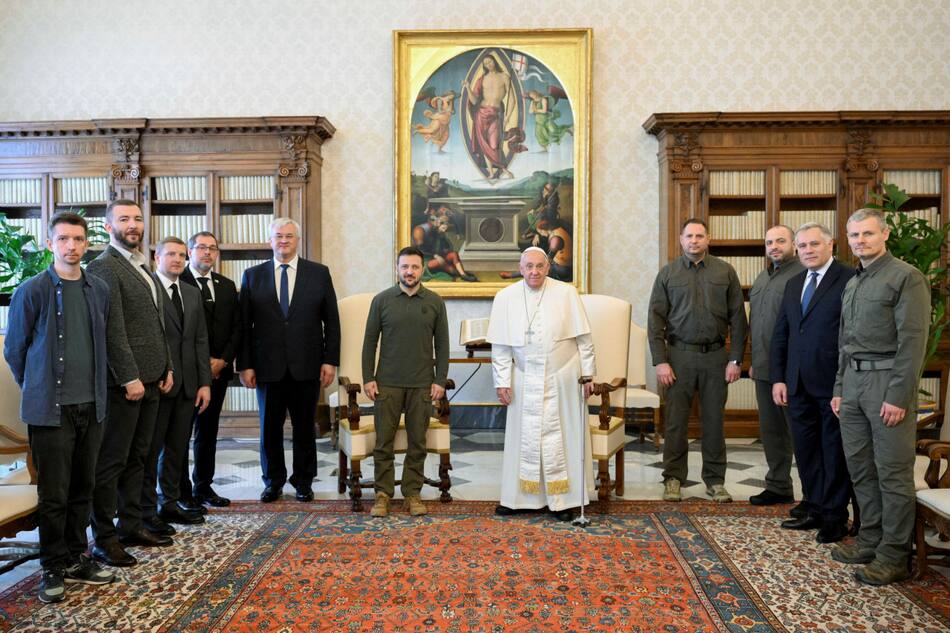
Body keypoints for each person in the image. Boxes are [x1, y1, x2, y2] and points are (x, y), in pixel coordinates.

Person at [3, 212, 116, 602]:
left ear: (87, 245)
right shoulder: (31, 291)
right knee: (55, 493)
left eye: (79, 239)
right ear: (51, 244)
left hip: (92, 405)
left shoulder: (98, 289)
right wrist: (35, 386)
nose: (72, 246)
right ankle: (52, 565)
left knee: (83, 488)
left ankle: (75, 557)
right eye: (64, 239)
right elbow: (14, 350)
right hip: (51, 410)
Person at [830, 208, 929, 585]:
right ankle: (870, 539)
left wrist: (899, 396)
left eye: (868, 234)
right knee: (861, 468)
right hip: (853, 386)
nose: (860, 241)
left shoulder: (906, 277)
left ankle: (894, 555)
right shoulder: (854, 282)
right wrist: (839, 388)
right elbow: (844, 342)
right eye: (854, 236)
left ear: (885, 234)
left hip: (887, 384)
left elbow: (913, 342)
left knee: (892, 472)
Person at [87, 199, 175, 567]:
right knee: (112, 463)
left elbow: (155, 324)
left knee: (141, 457)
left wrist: (167, 367)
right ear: (109, 226)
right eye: (124, 219)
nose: (133, 224)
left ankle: (132, 524)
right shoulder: (104, 267)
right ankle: (104, 539)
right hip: (126, 385)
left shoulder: (142, 265)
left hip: (154, 381)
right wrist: (129, 377)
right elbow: (112, 329)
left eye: (137, 218)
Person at [487, 247, 595, 522]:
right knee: (523, 439)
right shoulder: (505, 297)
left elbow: (583, 340)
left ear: (548, 268)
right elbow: (500, 347)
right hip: (523, 378)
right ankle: (520, 499)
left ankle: (565, 500)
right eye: (529, 267)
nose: (534, 272)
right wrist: (502, 381)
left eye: (539, 266)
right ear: (521, 268)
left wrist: (588, 375)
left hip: (563, 377)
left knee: (564, 437)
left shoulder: (567, 293)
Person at [238, 217, 341, 503]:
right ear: (270, 240)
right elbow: (244, 326)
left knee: (305, 427)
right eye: (278, 236)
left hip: (307, 365)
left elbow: (331, 321)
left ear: (298, 240)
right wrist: (245, 364)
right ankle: (273, 481)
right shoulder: (252, 276)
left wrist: (329, 360)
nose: (283, 241)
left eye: (289, 236)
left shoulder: (318, 274)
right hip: (266, 366)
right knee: (269, 429)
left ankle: (303, 481)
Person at [648, 218, 747, 503]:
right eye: (689, 235)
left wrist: (736, 359)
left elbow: (739, 320)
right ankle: (673, 479)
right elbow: (655, 321)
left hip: (717, 357)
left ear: (708, 239)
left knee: (714, 421)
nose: (694, 240)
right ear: (681, 239)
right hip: (678, 357)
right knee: (676, 422)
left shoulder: (725, 272)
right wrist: (660, 361)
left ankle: (715, 481)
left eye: (699, 236)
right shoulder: (667, 274)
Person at [770, 223, 854, 544]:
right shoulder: (794, 284)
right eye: (802, 245)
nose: (807, 250)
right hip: (797, 383)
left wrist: (843, 386)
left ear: (830, 244)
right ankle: (815, 507)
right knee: (806, 450)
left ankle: (835, 516)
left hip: (832, 383)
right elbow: (783, 334)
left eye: (814, 244)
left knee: (833, 451)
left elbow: (850, 337)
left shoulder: (848, 279)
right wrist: (779, 377)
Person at [362, 246, 449, 518]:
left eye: (414, 267)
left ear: (422, 269)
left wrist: (439, 381)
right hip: (387, 384)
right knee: (383, 442)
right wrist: (368, 378)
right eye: (404, 267)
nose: (409, 272)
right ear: (397, 269)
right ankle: (382, 494)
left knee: (417, 443)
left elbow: (443, 345)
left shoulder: (435, 302)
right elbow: (369, 342)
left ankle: (412, 493)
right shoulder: (382, 300)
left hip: (422, 385)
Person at [141, 237, 212, 534]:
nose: (177, 259)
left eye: (182, 255)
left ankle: (169, 503)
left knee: (177, 450)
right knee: (150, 450)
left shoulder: (191, 293)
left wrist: (204, 383)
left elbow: (199, 340)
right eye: (171, 254)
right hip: (158, 383)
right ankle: (146, 510)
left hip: (187, 385)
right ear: (158, 257)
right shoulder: (148, 289)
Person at [180, 231, 241, 508]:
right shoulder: (177, 281)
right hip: (186, 373)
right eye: (201, 247)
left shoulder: (227, 286)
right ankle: (180, 492)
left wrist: (223, 360)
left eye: (212, 248)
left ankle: (204, 486)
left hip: (218, 372)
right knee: (180, 434)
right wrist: (200, 363)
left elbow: (237, 329)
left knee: (208, 432)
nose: (207, 253)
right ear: (190, 252)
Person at [747, 225, 803, 507]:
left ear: (793, 243)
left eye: (781, 241)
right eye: (769, 242)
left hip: (792, 371)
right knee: (772, 432)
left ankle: (814, 496)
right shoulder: (763, 276)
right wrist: (754, 362)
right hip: (764, 368)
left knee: (800, 433)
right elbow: (756, 322)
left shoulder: (802, 274)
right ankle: (779, 485)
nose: (774, 246)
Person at [464, 54, 514, 180]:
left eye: (490, 62)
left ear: (495, 61)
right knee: (484, 144)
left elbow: (512, 98)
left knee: (493, 144)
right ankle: (491, 173)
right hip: (481, 113)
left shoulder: (504, 77)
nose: (488, 65)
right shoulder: (482, 79)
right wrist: (468, 87)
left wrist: (508, 116)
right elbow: (474, 101)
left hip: (495, 113)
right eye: (485, 64)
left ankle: (504, 169)